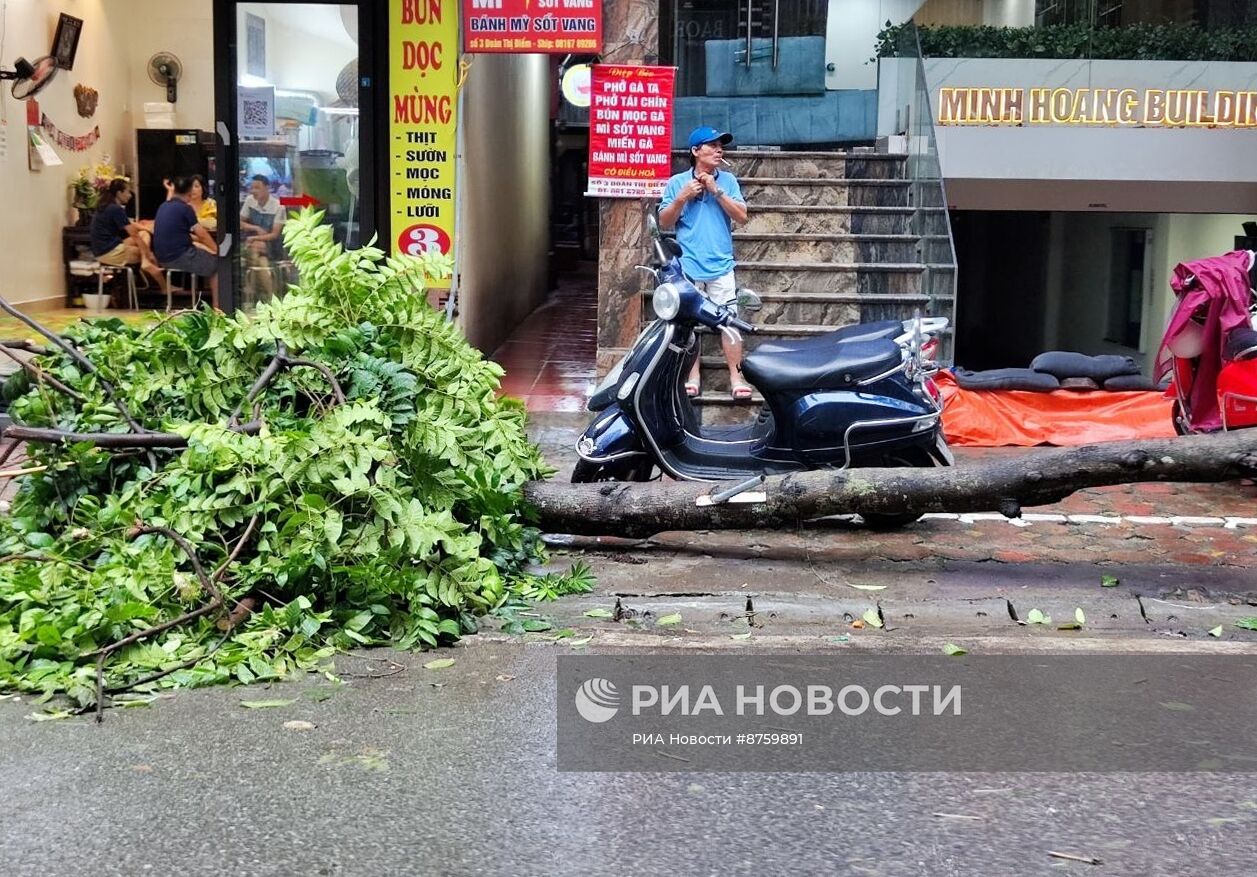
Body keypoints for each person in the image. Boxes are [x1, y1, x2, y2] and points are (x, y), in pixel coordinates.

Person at [659, 126, 750, 399]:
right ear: (695, 151)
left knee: (729, 322)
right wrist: (681, 197)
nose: (718, 149)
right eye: (711, 145)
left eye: (721, 145)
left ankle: (737, 376)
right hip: (688, 264)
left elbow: (742, 217)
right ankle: (692, 375)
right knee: (688, 325)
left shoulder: (728, 181)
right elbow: (665, 221)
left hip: (721, 265)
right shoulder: (677, 182)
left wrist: (716, 190)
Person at [89, 178, 166, 294]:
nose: (130, 195)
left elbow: (130, 224)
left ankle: (146, 263)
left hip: (105, 248)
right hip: (109, 252)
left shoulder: (107, 206)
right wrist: (147, 252)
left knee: (144, 234)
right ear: (119, 193)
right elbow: (133, 233)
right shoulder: (115, 209)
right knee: (148, 253)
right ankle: (164, 287)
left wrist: (145, 228)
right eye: (128, 192)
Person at [152, 176, 219, 307]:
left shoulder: (163, 206)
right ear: (189, 192)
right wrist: (218, 250)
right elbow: (202, 234)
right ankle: (218, 308)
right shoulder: (185, 209)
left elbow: (179, 233)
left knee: (205, 254)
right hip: (180, 256)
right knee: (219, 265)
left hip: (162, 258)